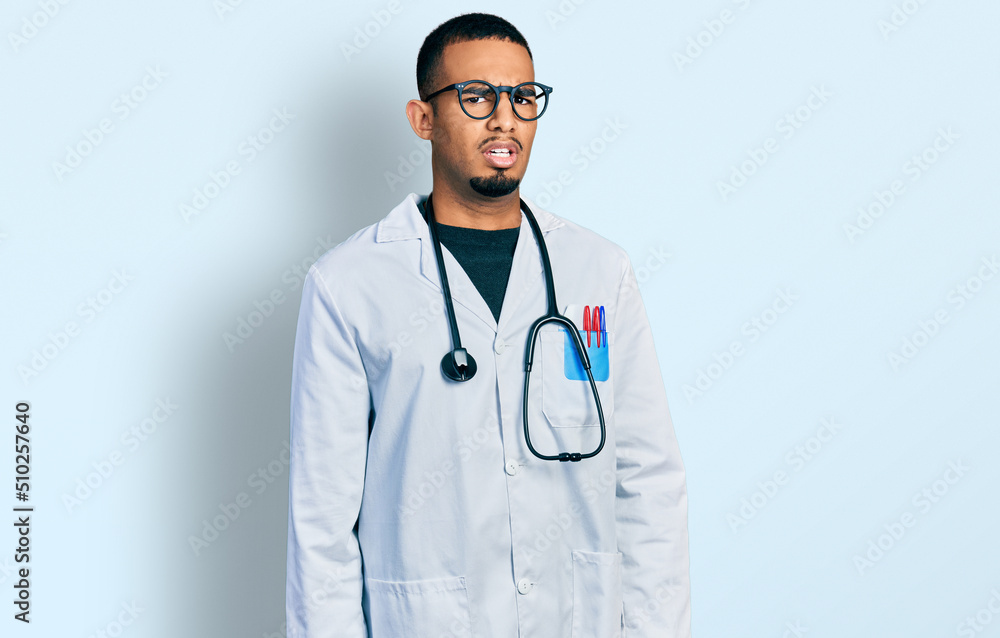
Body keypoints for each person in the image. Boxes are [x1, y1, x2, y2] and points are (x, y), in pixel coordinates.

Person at [285, 12, 690, 638]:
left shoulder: (598, 271)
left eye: (523, 97)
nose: (505, 119)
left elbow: (649, 479)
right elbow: (322, 522)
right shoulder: (349, 285)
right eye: (476, 97)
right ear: (424, 119)